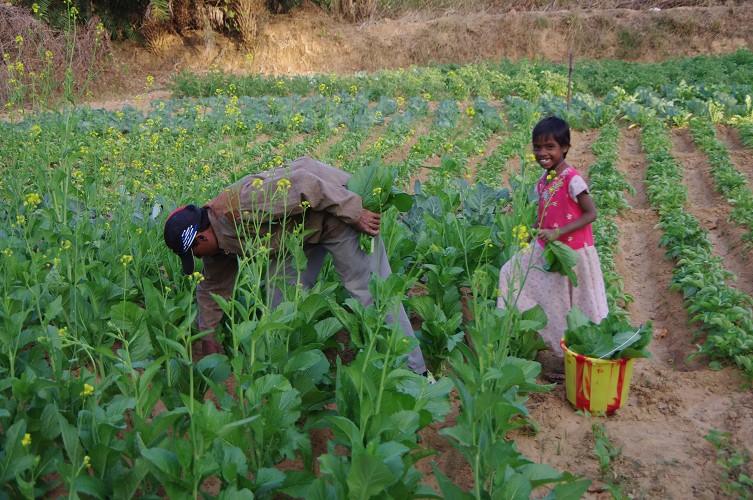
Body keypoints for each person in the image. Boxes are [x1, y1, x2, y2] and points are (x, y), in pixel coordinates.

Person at [163, 156, 432, 379]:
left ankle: (414, 373)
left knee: (372, 293)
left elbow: (304, 183)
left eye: (193, 253)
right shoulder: (217, 243)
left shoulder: (239, 205)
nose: (198, 260)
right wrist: (208, 338)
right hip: (297, 235)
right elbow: (212, 287)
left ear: (200, 238)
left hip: (335, 209)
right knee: (279, 302)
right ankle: (283, 374)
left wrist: (355, 211)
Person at [497, 116, 608, 382]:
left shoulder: (572, 179)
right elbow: (543, 213)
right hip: (548, 247)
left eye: (550, 147)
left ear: (565, 148)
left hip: (573, 251)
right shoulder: (545, 180)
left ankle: (569, 359)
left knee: (574, 305)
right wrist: (531, 234)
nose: (542, 153)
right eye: (537, 147)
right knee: (511, 272)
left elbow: (590, 213)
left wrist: (558, 232)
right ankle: (528, 337)